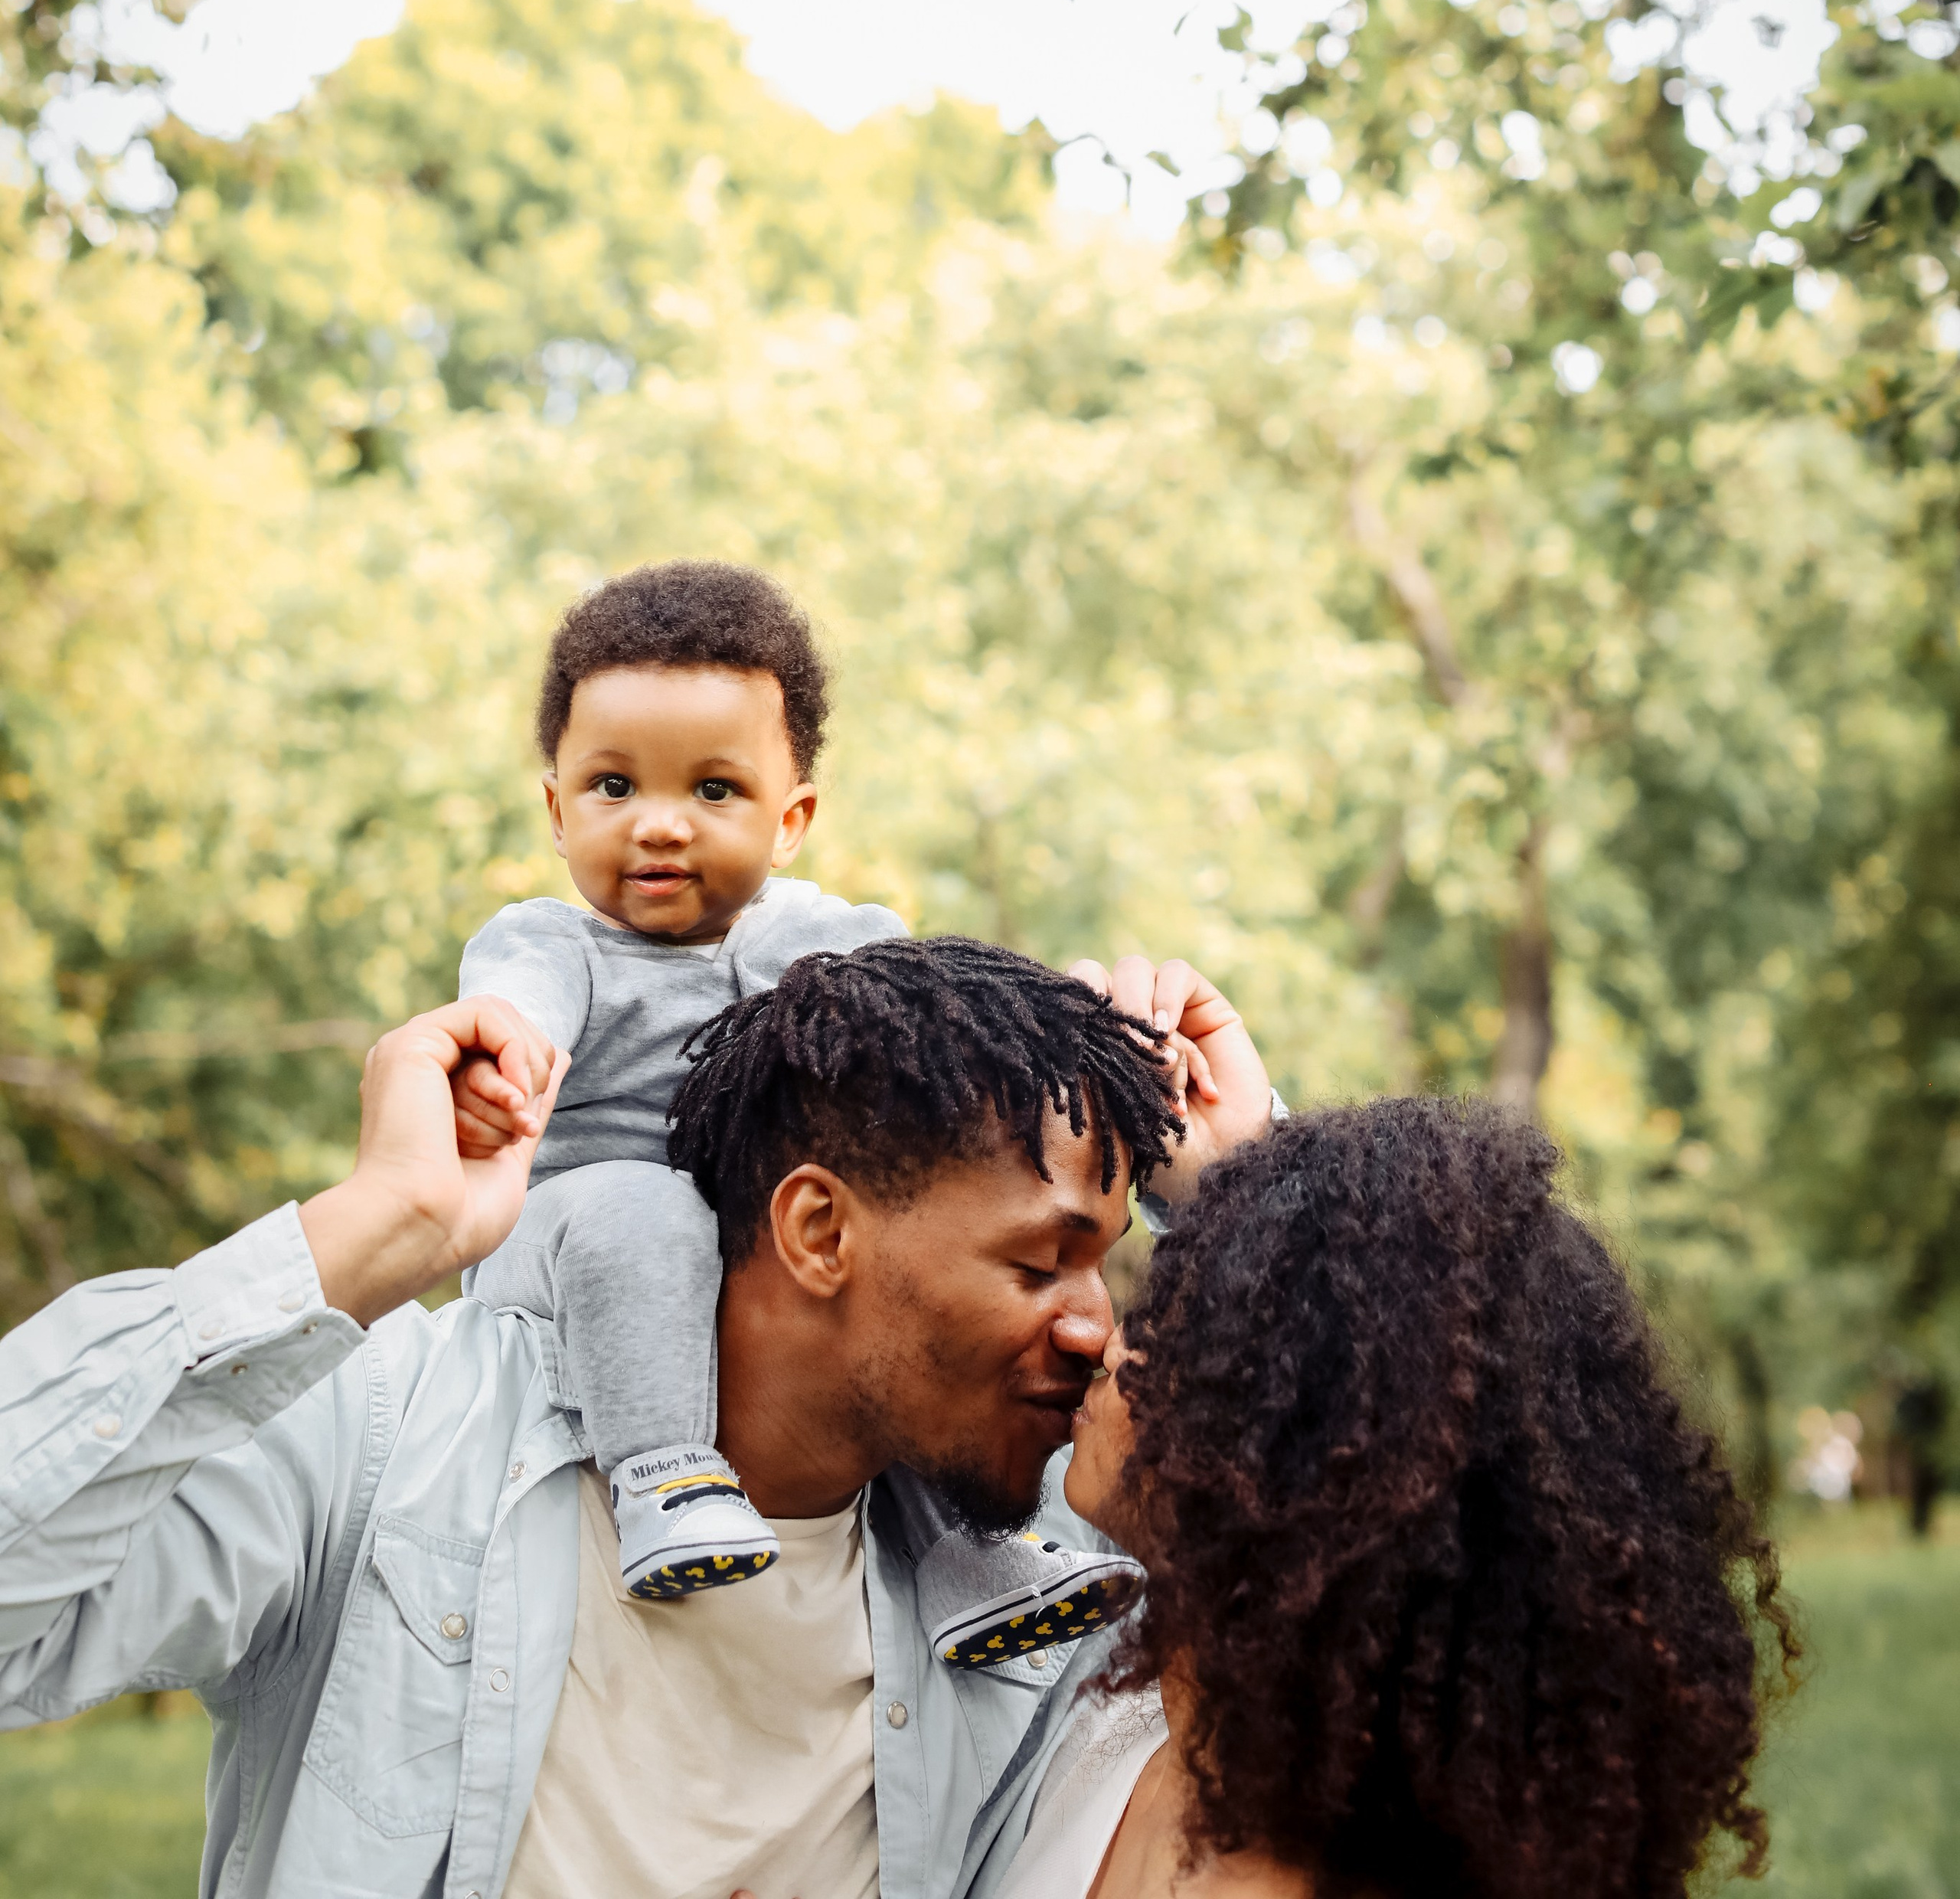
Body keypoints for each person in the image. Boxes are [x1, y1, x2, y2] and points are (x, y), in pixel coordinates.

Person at [0, 931, 1274, 1899]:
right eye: (1043, 1261)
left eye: (1108, 1262)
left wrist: (1259, 1195)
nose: (1096, 1326)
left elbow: (1423, 1613)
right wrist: (379, 1228)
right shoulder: (395, 1444)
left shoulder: (1042, 1586)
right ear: (819, 1232)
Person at [988, 1096, 1796, 1899]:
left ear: (1290, 1453)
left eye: (1171, 1323)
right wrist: (1240, 1166)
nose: (1107, 1340)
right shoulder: (1140, 1709)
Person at [451, 558, 910, 1603]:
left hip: (729, 1258)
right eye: (614, 787)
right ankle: (662, 1482)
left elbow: (931, 1000)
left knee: (902, 1258)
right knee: (645, 1205)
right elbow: (519, 1008)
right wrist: (503, 1061)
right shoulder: (550, 944)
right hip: (560, 1253)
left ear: (789, 820)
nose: (660, 823)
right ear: (559, 810)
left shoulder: (818, 937)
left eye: (713, 789)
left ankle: (967, 1552)